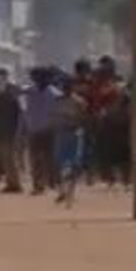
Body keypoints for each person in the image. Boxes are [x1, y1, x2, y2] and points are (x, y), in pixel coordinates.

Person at [22, 68, 62, 195]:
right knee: (35, 159)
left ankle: (53, 182)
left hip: (49, 130)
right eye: (35, 77)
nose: (37, 79)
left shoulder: (54, 94)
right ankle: (38, 185)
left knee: (50, 158)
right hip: (34, 129)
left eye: (39, 77)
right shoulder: (30, 91)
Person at [0, 68, 24, 193]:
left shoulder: (12, 92)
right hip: (0, 130)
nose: (0, 79)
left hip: (10, 130)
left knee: (11, 158)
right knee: (5, 158)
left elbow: (19, 112)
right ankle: (11, 183)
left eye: (3, 77)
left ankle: (16, 184)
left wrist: (18, 129)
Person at [52, 77, 87, 207]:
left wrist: (75, 124)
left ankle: (71, 193)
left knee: (74, 166)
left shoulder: (79, 102)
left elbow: (83, 118)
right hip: (61, 135)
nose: (66, 88)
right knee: (58, 164)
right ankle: (62, 191)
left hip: (74, 134)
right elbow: (53, 117)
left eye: (68, 86)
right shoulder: (57, 101)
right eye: (64, 86)